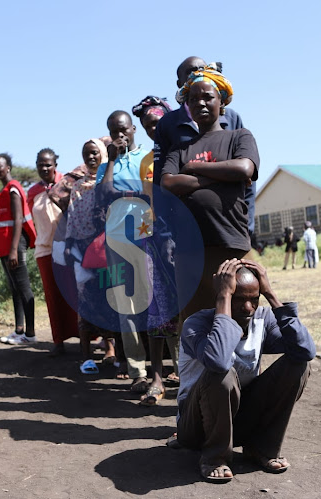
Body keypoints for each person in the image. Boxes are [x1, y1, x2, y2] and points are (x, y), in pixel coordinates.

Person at [174, 259, 315, 482]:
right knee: (223, 374)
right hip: (196, 428)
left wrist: (271, 295)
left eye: (254, 299)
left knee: (298, 365)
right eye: (238, 298)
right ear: (224, 295)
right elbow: (218, 362)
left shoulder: (262, 319)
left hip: (240, 421)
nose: (248, 308)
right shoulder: (197, 324)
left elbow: (305, 350)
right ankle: (214, 457)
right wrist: (223, 298)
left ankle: (261, 448)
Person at [161, 64, 259, 328]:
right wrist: (218, 176)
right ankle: (199, 371)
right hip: (189, 249)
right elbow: (169, 182)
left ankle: (242, 371)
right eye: (193, 99)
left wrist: (194, 168)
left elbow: (244, 168)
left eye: (207, 97)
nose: (200, 103)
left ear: (222, 101)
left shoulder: (239, 136)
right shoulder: (179, 148)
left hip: (230, 244)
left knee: (237, 319)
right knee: (194, 325)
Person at [153, 56, 257, 246]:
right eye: (192, 72)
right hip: (188, 234)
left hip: (231, 230)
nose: (199, 74)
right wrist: (166, 229)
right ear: (179, 83)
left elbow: (246, 178)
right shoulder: (168, 124)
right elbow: (163, 182)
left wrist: (248, 223)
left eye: (203, 69)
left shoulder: (234, 122)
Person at [96, 110, 152, 394]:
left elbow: (152, 191)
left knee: (155, 303)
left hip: (147, 238)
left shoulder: (147, 158)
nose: (119, 136)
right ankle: (137, 370)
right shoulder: (107, 165)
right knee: (126, 307)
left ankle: (169, 368)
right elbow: (102, 195)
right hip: (116, 241)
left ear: (133, 130)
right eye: (113, 131)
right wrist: (111, 161)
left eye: (123, 130)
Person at [132, 95, 180, 405]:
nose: (153, 129)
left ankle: (189, 372)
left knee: (187, 309)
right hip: (154, 239)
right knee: (156, 309)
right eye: (148, 125)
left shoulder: (182, 150)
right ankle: (157, 378)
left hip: (184, 238)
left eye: (158, 123)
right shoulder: (146, 162)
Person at [65, 138, 119, 373]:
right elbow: (72, 216)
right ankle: (86, 356)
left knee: (111, 300)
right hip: (84, 250)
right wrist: (69, 244)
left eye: (95, 153)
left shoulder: (110, 181)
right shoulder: (77, 187)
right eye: (87, 153)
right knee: (85, 300)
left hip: (110, 249)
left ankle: (111, 350)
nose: (91, 157)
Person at [27, 148, 80, 357]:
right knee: (53, 296)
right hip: (44, 250)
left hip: (67, 247)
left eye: (48, 164)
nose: (44, 168)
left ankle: (91, 339)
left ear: (55, 165)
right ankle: (58, 340)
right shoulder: (32, 192)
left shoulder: (66, 185)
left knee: (75, 292)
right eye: (40, 164)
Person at [0, 153, 37, 345]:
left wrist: (13, 250)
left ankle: (31, 334)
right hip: (4, 247)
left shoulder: (13, 189)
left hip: (14, 246)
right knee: (14, 288)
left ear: (8, 167)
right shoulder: (3, 191)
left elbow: (18, 219)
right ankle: (19, 330)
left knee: (23, 287)